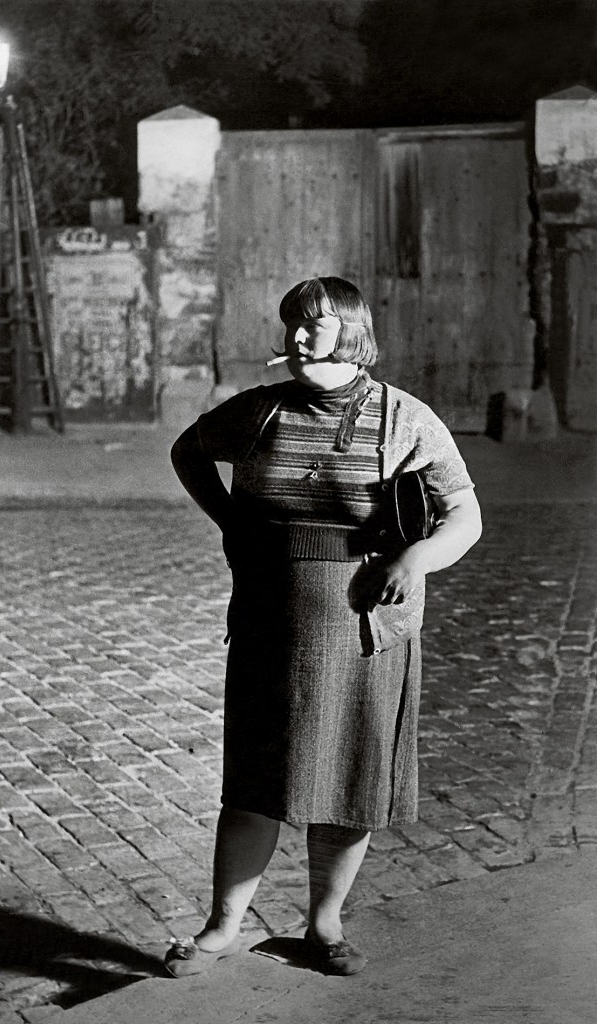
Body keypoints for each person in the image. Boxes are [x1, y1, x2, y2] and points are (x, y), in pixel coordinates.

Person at [166, 276, 482, 978]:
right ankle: (221, 928)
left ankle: (324, 926)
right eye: (292, 325)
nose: (297, 337)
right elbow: (189, 450)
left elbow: (466, 515)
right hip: (268, 619)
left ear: (354, 334)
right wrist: (230, 520)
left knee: (349, 780)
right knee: (254, 781)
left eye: (314, 324)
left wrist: (416, 558)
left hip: (363, 625)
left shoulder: (405, 418)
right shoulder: (259, 413)